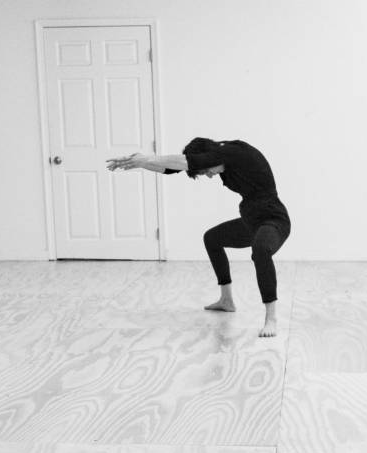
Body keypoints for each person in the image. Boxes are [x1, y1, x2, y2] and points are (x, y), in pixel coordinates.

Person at [107, 138, 291, 337]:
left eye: (205, 171)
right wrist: (141, 163)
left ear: (207, 156)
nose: (209, 176)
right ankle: (226, 300)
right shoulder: (221, 157)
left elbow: (187, 161)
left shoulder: (232, 152)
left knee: (261, 249)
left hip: (274, 220)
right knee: (212, 238)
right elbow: (172, 168)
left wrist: (147, 158)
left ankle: (271, 318)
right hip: (251, 221)